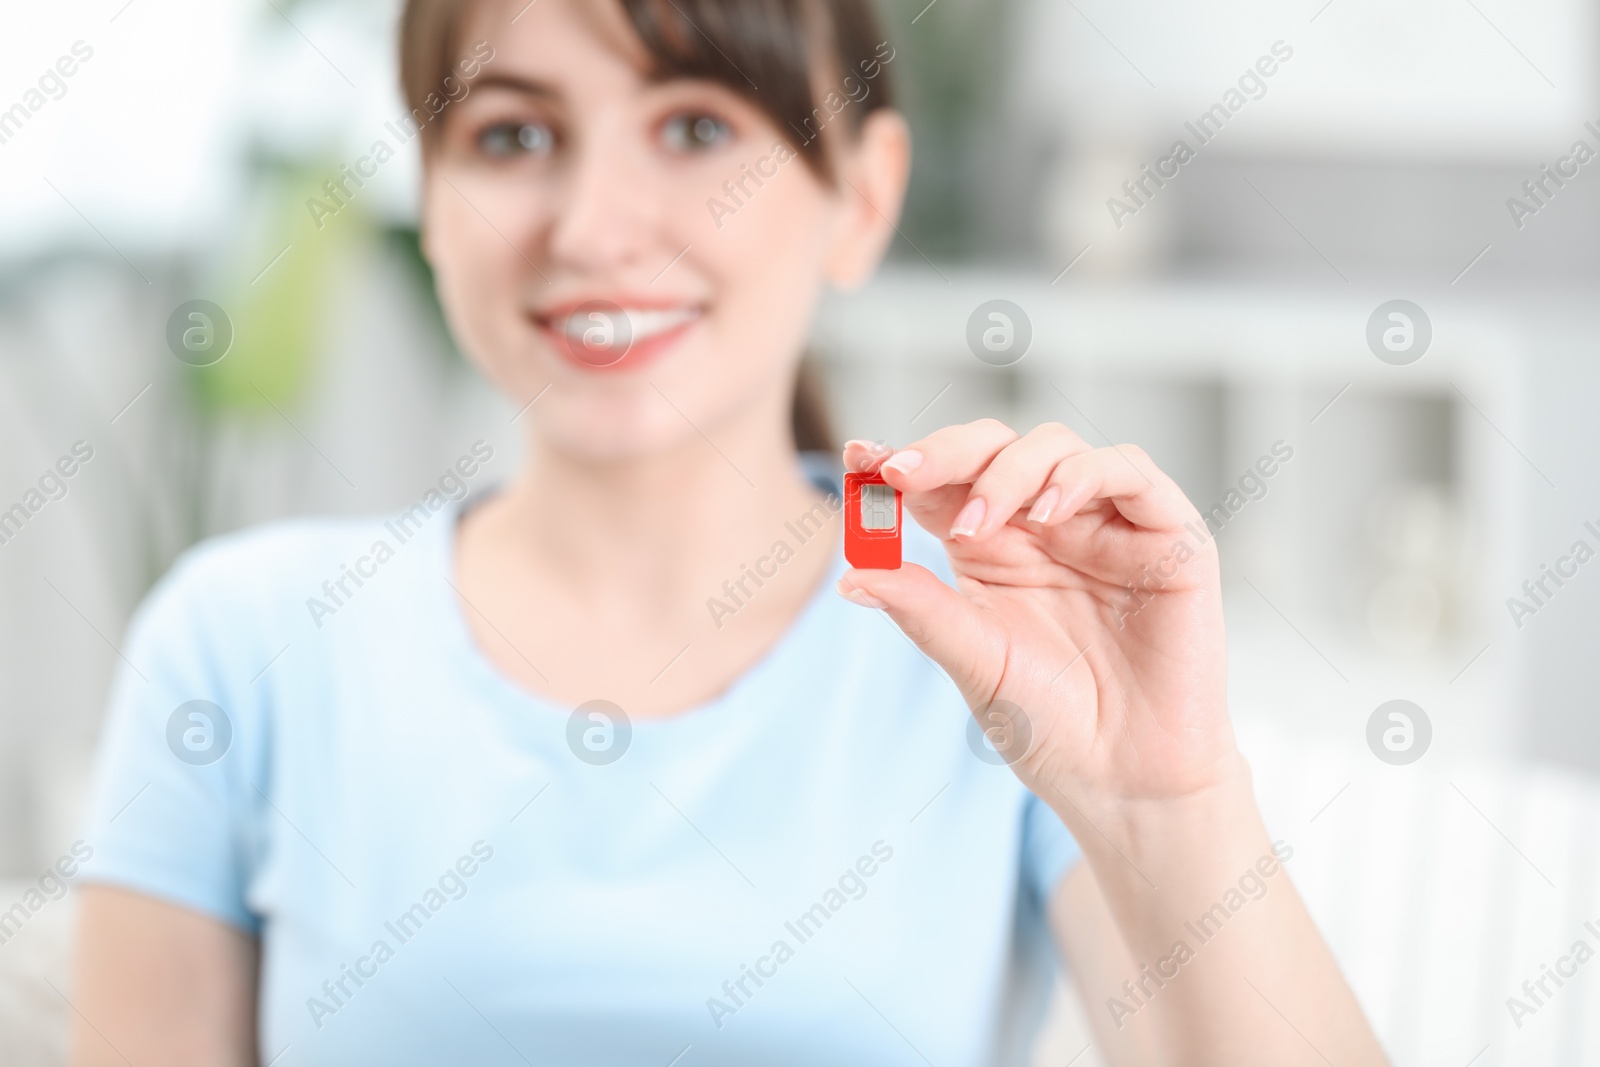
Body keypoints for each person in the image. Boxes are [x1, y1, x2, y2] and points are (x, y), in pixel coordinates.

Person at [73, 0, 1387, 1064]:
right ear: (430, 199)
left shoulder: (1000, 644)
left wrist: (1169, 805)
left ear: (863, 201)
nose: (593, 228)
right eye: (514, 139)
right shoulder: (240, 642)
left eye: (698, 127)